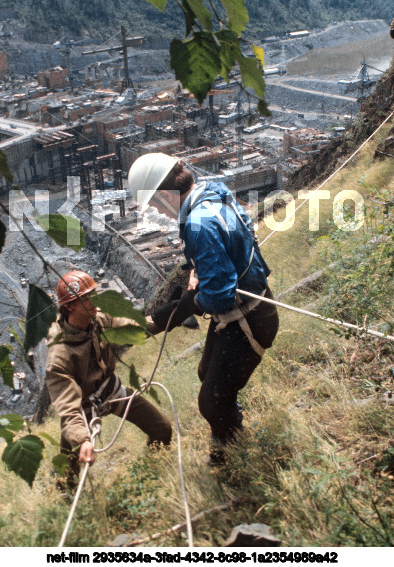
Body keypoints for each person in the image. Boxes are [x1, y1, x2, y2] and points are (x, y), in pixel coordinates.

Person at [128, 153, 279, 465]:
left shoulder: (198, 225)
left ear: (165, 196)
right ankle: (231, 422)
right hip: (252, 307)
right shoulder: (213, 194)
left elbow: (220, 296)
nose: (158, 211)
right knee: (206, 373)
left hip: (245, 317)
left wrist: (190, 303)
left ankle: (230, 456)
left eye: (155, 204)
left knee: (211, 401)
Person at [45, 270, 172, 485]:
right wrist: (84, 439)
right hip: (82, 410)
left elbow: (134, 328)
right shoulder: (59, 356)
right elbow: (69, 410)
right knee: (69, 477)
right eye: (87, 298)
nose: (95, 300)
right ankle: (66, 496)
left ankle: (151, 475)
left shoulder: (99, 319)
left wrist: (171, 313)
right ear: (70, 306)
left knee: (162, 430)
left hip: (110, 391)